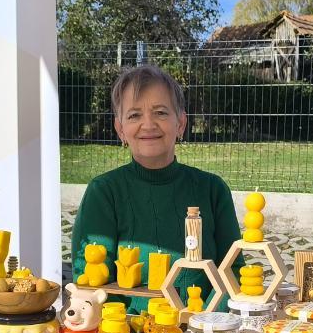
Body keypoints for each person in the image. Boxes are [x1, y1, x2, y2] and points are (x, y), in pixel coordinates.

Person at [71, 65, 242, 312]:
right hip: (126, 330)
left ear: (181, 123)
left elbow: (233, 270)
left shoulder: (213, 190)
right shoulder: (104, 192)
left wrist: (206, 321)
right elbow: (89, 279)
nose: (148, 124)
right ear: (120, 129)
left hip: (203, 329)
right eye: (134, 115)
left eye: (160, 112)